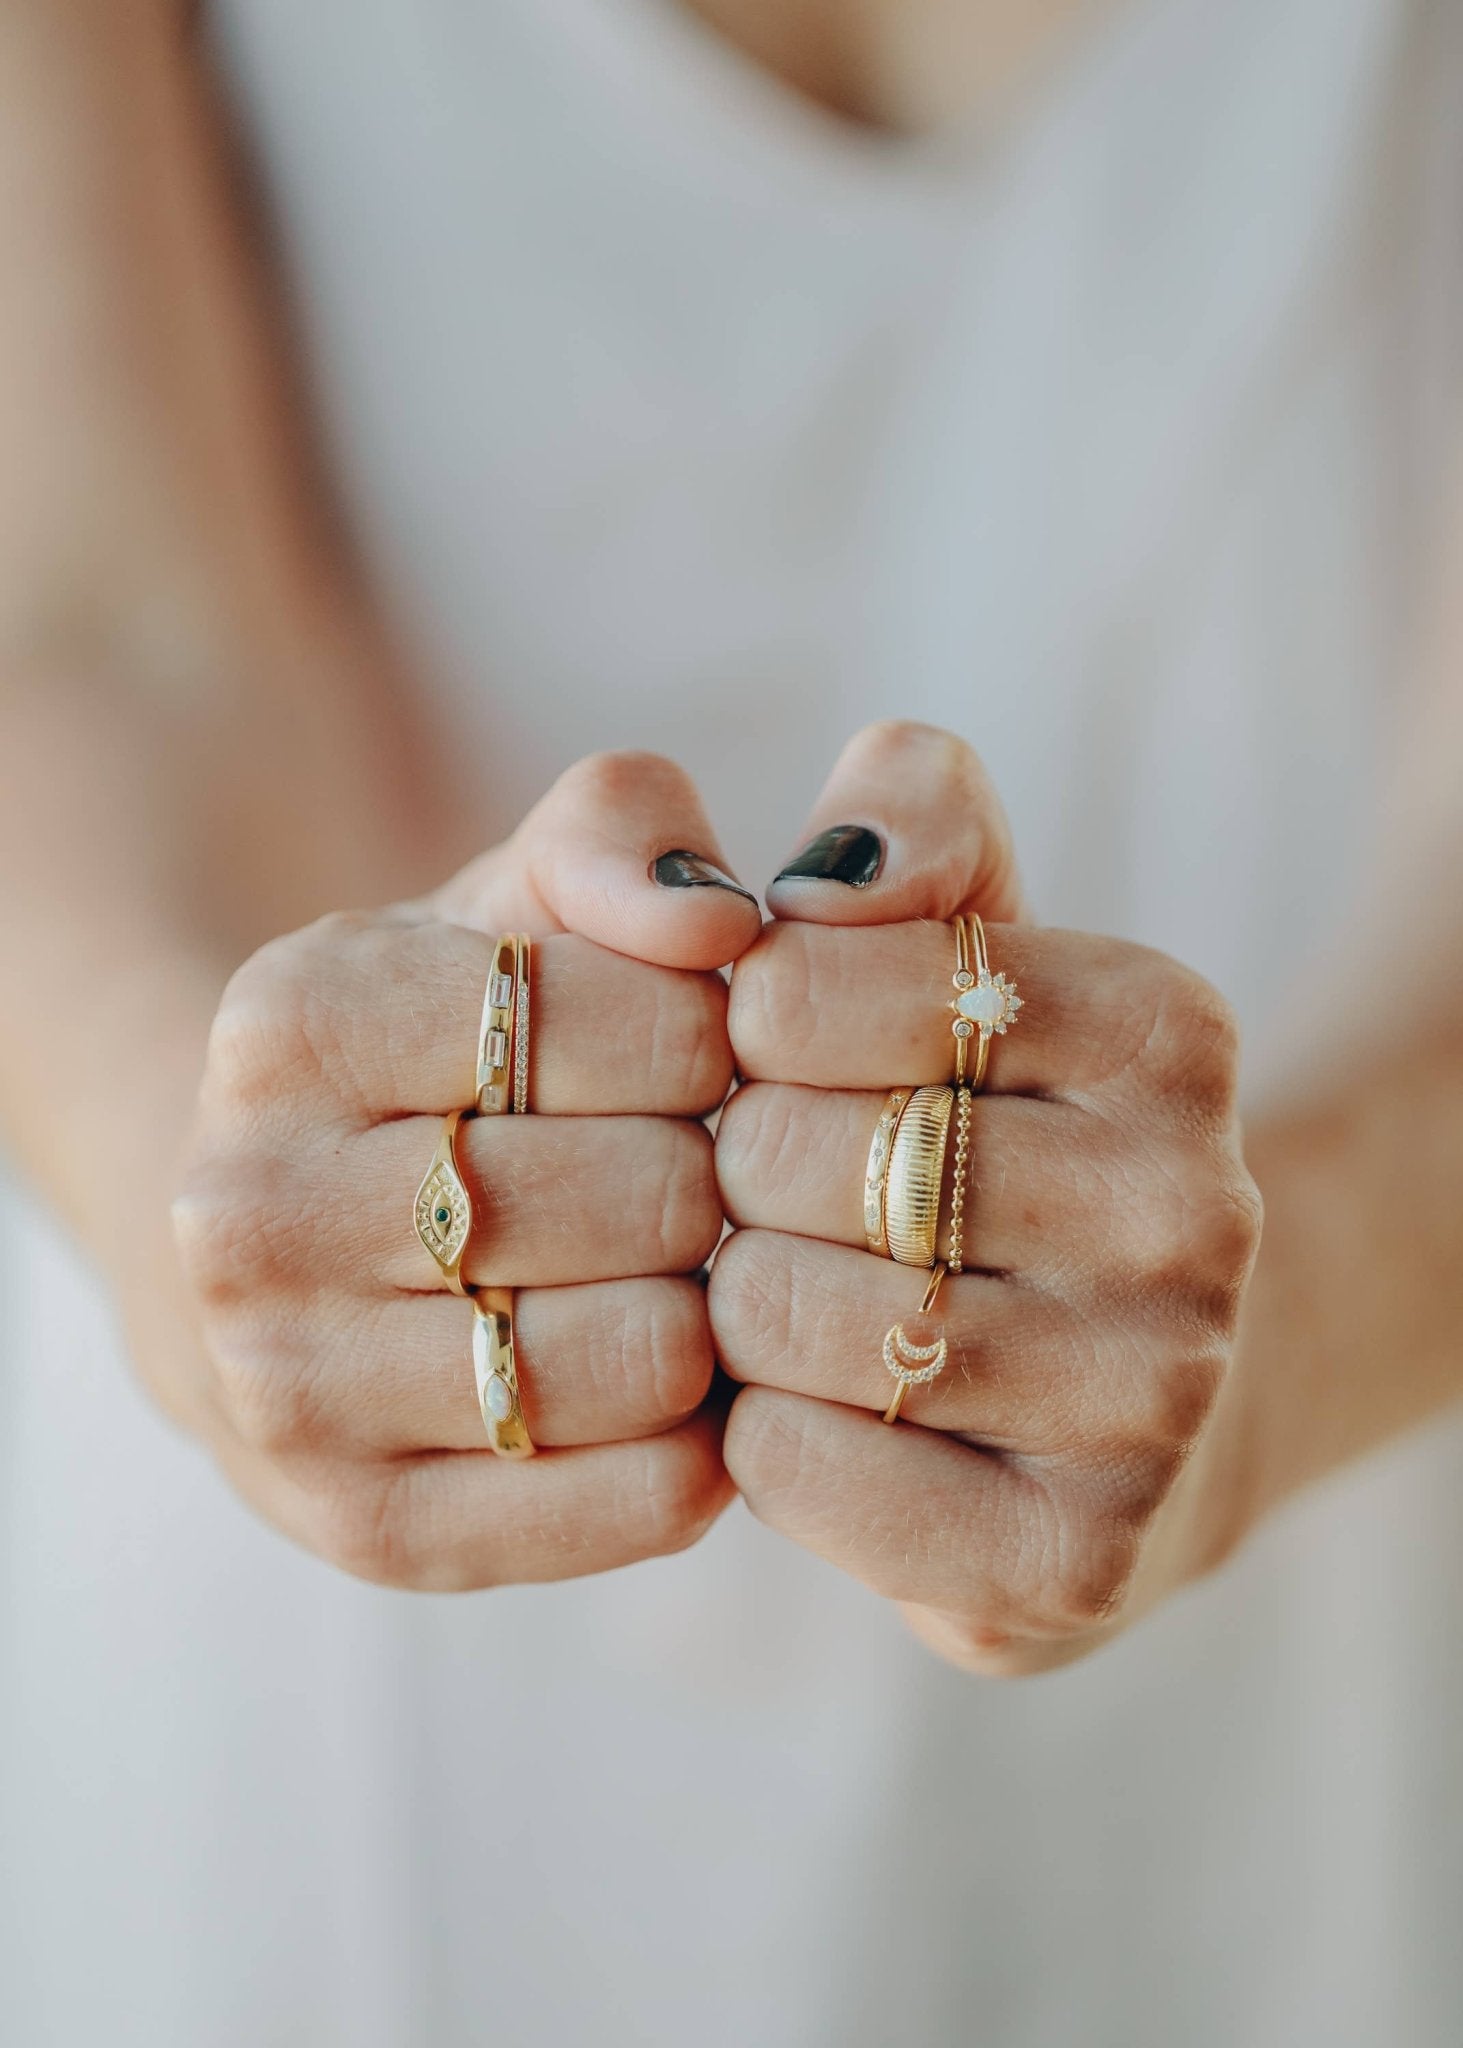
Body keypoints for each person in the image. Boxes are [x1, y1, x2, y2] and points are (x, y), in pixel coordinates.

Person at [2, 1, 1461, 2043]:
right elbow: (97, 626)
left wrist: (1258, 1345)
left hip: (1319, 1561)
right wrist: (222, 1189)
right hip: (333, 1720)